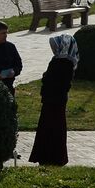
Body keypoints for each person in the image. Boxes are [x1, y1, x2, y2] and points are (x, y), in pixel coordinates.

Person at [28, 34, 77, 166]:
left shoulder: (62, 62)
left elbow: (52, 81)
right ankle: (51, 156)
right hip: (56, 100)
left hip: (53, 100)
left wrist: (45, 77)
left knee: (51, 128)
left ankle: (50, 156)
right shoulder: (65, 61)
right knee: (53, 127)